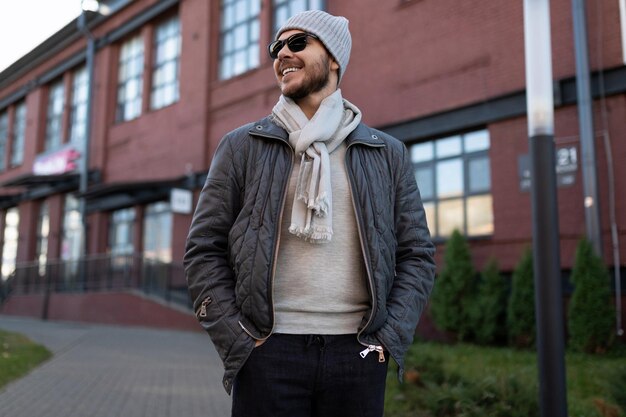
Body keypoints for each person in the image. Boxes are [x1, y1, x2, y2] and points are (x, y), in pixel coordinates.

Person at [184, 9, 436, 417]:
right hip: (267, 353)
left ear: (334, 58)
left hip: (358, 354)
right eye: (276, 47)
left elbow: (417, 254)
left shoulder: (386, 153)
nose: (283, 53)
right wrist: (238, 339)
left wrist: (387, 340)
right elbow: (203, 249)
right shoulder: (241, 147)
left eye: (298, 42)